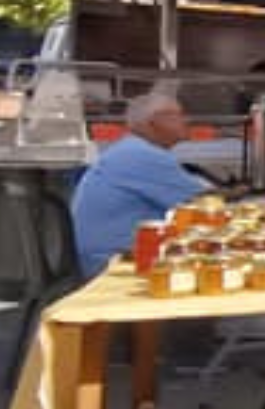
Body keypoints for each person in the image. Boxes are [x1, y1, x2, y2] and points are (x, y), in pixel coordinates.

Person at [69, 89, 211, 276]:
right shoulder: (141, 154)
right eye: (178, 115)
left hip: (107, 257)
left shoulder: (133, 149)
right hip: (109, 264)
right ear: (155, 122)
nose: (187, 121)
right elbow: (206, 204)